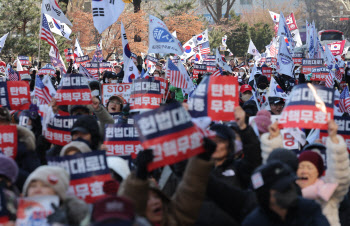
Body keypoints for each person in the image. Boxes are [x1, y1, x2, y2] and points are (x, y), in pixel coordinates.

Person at [118, 137, 216, 226]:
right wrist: (140, 175)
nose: (156, 201)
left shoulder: (174, 219)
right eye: (147, 199)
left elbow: (189, 190)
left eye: (156, 197)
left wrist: (201, 160)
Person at [242, 161, 330, 226]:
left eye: (291, 184)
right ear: (265, 195)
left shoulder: (309, 208)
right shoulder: (254, 222)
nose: (290, 190)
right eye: (283, 188)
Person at [22, 166, 89, 225]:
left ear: (58, 192)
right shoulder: (15, 211)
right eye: (33, 186)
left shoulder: (77, 213)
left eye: (45, 186)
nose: (37, 190)